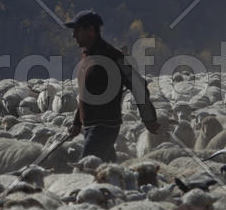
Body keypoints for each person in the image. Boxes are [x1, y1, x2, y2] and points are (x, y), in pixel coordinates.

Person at [65, 9, 159, 161]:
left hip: (104, 126)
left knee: (87, 167)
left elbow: (137, 85)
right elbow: (86, 95)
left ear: (90, 30)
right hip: (91, 127)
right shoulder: (87, 57)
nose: (73, 35)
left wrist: (149, 118)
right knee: (107, 172)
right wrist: (77, 123)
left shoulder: (113, 56)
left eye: (77, 30)